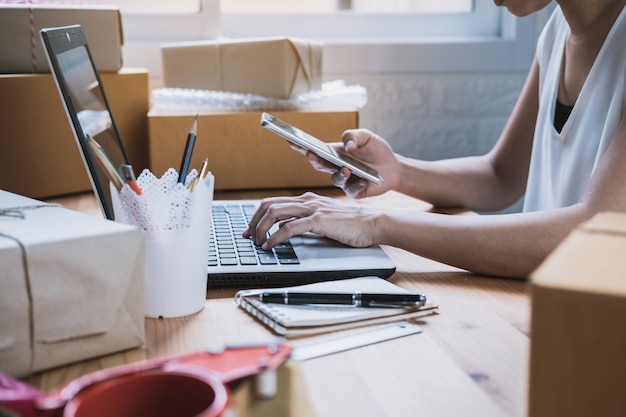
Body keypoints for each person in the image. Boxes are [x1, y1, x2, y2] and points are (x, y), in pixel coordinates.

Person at [244, 0, 626, 279]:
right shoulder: (556, 30)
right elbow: (501, 176)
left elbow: (592, 234)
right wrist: (399, 172)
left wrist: (376, 223)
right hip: (547, 311)